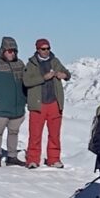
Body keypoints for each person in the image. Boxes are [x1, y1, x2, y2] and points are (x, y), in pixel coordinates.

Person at [23, 38, 71, 169]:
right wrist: (44, 78)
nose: (46, 51)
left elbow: (67, 73)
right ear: (37, 49)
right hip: (38, 104)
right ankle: (33, 159)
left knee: (55, 134)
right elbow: (27, 81)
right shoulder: (31, 64)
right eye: (43, 49)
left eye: (48, 48)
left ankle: (54, 159)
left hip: (54, 103)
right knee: (35, 134)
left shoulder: (55, 61)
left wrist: (64, 75)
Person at [0, 36, 27, 167]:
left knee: (14, 132)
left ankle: (12, 156)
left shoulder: (20, 64)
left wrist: (24, 99)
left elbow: (26, 82)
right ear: (3, 50)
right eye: (9, 51)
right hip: (1, 107)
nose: (12, 53)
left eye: (14, 51)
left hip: (17, 107)